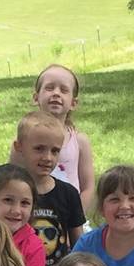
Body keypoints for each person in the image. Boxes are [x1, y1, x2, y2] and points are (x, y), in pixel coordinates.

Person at [15, 111, 86, 266]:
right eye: (39, 149)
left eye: (55, 151)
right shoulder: (9, 193)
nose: (48, 157)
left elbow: (78, 245)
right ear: (19, 147)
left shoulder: (68, 193)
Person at [32, 63, 95, 214]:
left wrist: (75, 217)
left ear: (73, 103)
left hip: (71, 217)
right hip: (35, 217)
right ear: (36, 97)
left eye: (64, 90)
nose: (56, 93)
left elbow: (88, 187)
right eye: (49, 88)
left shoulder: (80, 141)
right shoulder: (24, 140)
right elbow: (13, 180)